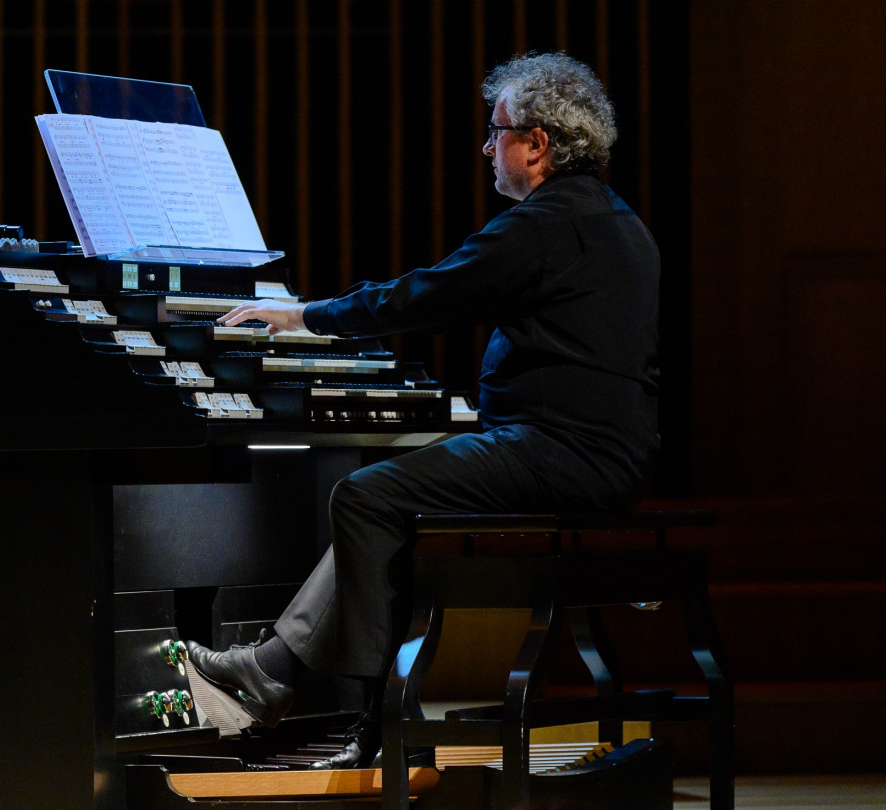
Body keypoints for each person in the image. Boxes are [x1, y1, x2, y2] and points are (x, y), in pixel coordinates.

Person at [186, 51, 661, 770]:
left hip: (562, 453)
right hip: (598, 452)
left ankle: (376, 727)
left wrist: (303, 317)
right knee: (388, 499)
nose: (486, 148)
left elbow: (424, 295)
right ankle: (272, 668)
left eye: (495, 131)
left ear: (536, 144)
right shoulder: (619, 221)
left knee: (365, 496)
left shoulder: (544, 224)